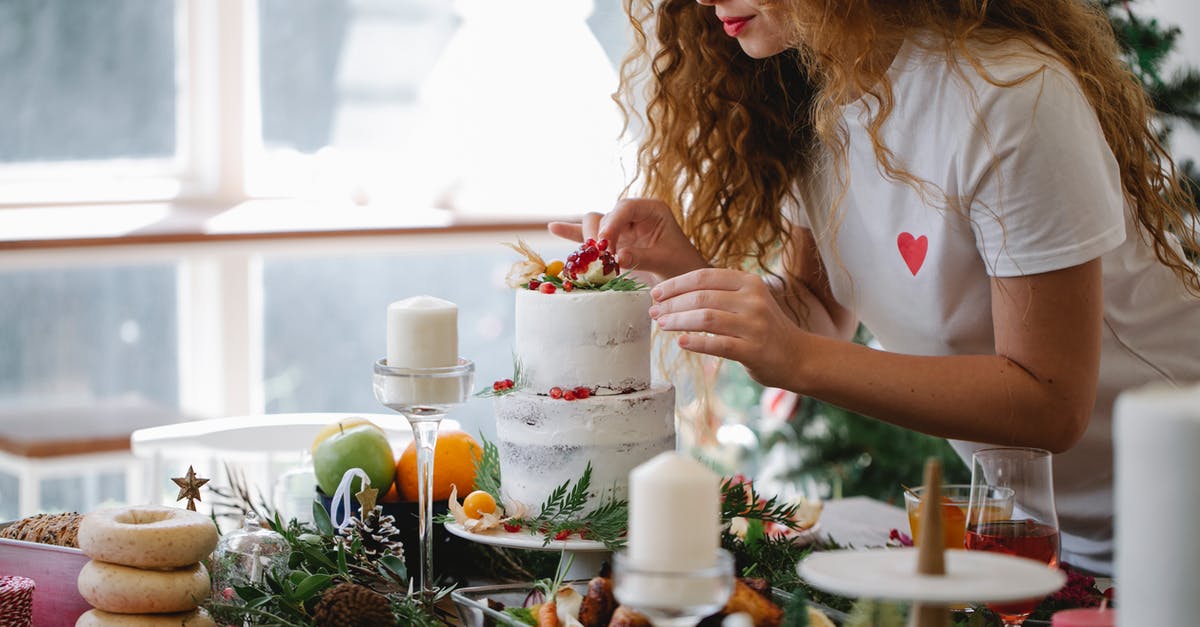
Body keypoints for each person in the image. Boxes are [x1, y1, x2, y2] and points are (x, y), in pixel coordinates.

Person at [550, 0, 1200, 575]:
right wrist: (683, 267)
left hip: (1183, 515)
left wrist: (799, 359)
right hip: (1066, 542)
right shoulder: (818, 94)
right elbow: (818, 313)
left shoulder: (1010, 95)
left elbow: (1050, 405)